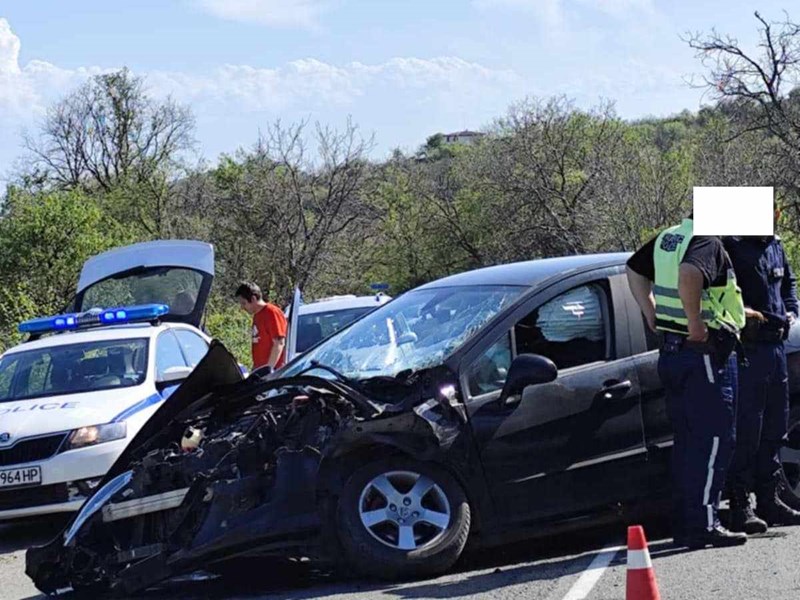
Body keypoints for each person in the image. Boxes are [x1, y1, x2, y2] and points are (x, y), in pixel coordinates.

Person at [626, 213, 748, 549]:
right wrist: (695, 321)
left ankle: (687, 523)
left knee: (688, 441)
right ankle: (704, 524)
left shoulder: (671, 237)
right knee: (714, 440)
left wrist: (650, 311)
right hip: (702, 354)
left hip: (673, 351)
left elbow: (634, 269)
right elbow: (690, 273)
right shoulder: (706, 240)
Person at [723, 221, 800, 533]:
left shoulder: (775, 244)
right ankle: (740, 505)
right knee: (747, 431)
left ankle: (770, 499)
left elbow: (788, 284)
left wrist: (792, 309)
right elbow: (724, 292)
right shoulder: (732, 246)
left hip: (777, 347)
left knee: (775, 426)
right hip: (749, 350)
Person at [235, 282, 288, 371]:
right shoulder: (257, 315)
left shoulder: (271, 312)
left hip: (273, 372)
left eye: (244, 303)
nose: (242, 307)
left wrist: (268, 370)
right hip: (260, 370)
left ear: (253, 299)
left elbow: (279, 343)